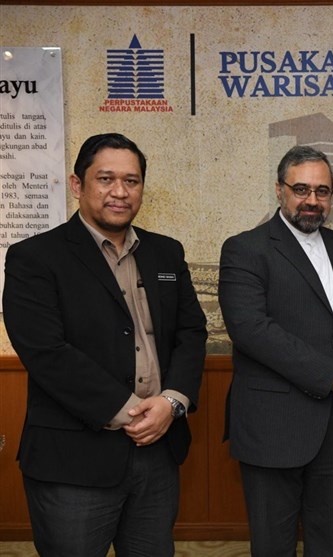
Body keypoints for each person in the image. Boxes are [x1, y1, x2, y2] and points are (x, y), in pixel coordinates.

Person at [2, 132, 208, 556]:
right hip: (73, 461)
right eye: (106, 179)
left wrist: (171, 402)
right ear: (78, 185)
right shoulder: (34, 257)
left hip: (158, 449)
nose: (120, 192)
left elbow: (191, 333)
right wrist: (132, 412)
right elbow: (46, 352)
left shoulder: (166, 253)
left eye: (131, 181)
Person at [219, 145, 333, 556]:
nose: (312, 200)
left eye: (322, 191)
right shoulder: (245, 248)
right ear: (280, 190)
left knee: (332, 540)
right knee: (273, 545)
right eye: (301, 189)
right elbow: (250, 330)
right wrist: (329, 375)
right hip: (273, 425)